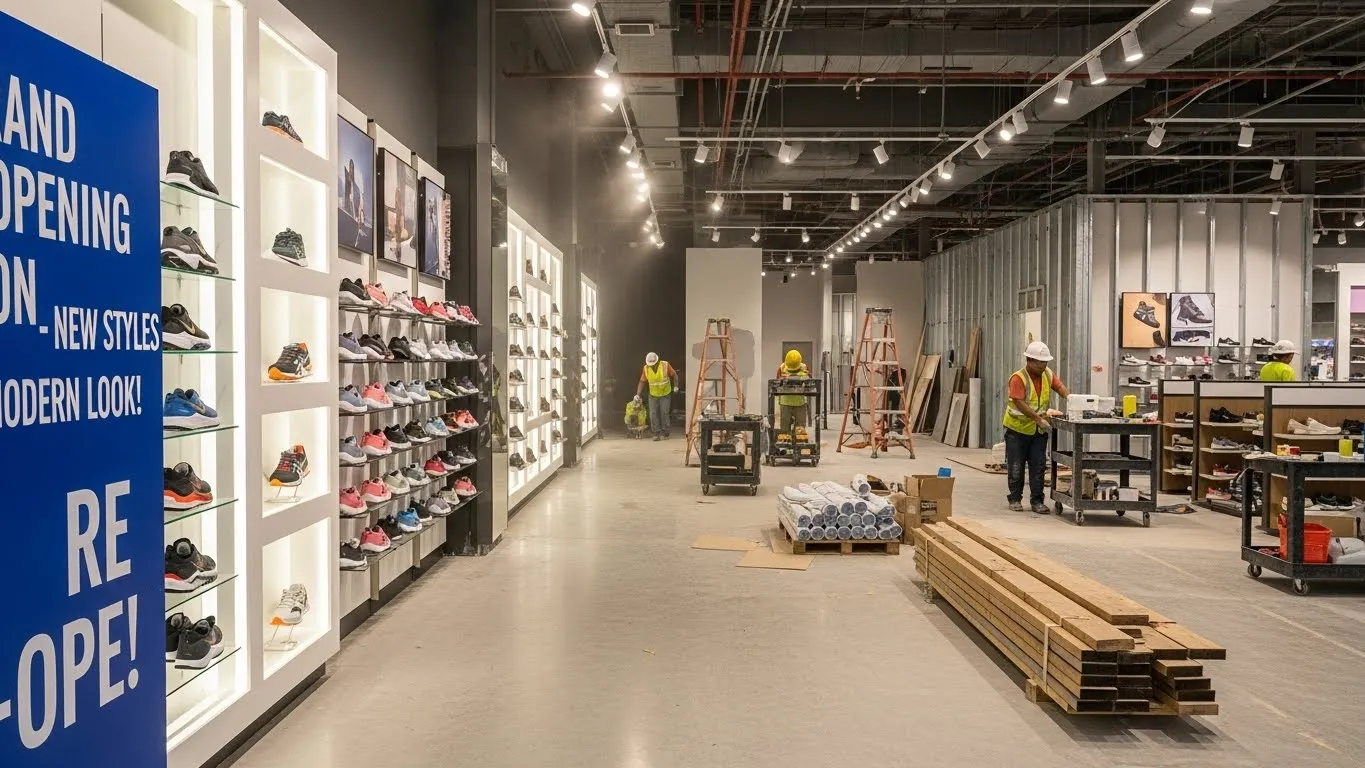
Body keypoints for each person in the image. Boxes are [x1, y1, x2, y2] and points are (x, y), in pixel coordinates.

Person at [1003, 341, 1070, 513]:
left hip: (1038, 432)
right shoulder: (1018, 378)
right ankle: (1015, 498)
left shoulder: (1047, 374)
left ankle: (1037, 501)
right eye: (1040, 362)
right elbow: (1019, 402)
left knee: (1038, 466)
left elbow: (1060, 387)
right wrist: (1038, 419)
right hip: (1017, 430)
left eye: (1045, 362)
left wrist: (1073, 400)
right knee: (1016, 466)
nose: (1044, 365)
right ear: (1030, 361)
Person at [635, 352, 678, 440]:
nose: (651, 366)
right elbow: (642, 381)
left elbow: (674, 375)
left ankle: (665, 432)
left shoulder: (665, 365)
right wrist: (638, 394)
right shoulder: (646, 368)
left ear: (657, 361)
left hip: (665, 393)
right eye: (650, 365)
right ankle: (656, 433)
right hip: (653, 394)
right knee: (653, 414)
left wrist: (676, 386)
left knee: (664, 413)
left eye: (653, 364)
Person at [775, 349, 811, 435]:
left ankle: (798, 447)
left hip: (800, 402)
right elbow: (776, 383)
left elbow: (810, 381)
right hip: (785, 402)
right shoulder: (782, 368)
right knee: (784, 430)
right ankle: (786, 447)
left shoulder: (804, 368)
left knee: (800, 430)